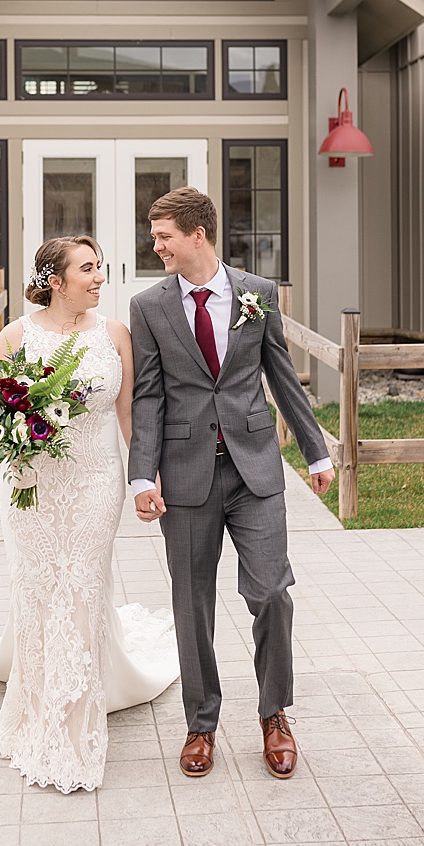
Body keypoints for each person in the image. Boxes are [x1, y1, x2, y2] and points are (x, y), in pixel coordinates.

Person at [126, 188, 333, 781]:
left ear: (198, 235)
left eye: (163, 235)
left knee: (270, 592)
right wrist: (144, 474)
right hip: (186, 474)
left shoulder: (255, 294)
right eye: (154, 234)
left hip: (255, 469)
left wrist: (316, 451)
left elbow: (283, 376)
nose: (156, 245)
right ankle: (201, 723)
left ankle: (275, 715)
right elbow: (148, 395)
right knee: (192, 604)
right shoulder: (149, 306)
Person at [0, 236, 179, 794]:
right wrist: (13, 436)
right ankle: (36, 707)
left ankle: (73, 726)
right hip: (31, 486)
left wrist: (145, 477)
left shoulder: (115, 336)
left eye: (100, 269)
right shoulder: (14, 336)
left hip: (93, 483)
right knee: (37, 590)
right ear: (54, 279)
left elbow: (130, 412)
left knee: (82, 588)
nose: (98, 278)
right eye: (87, 269)